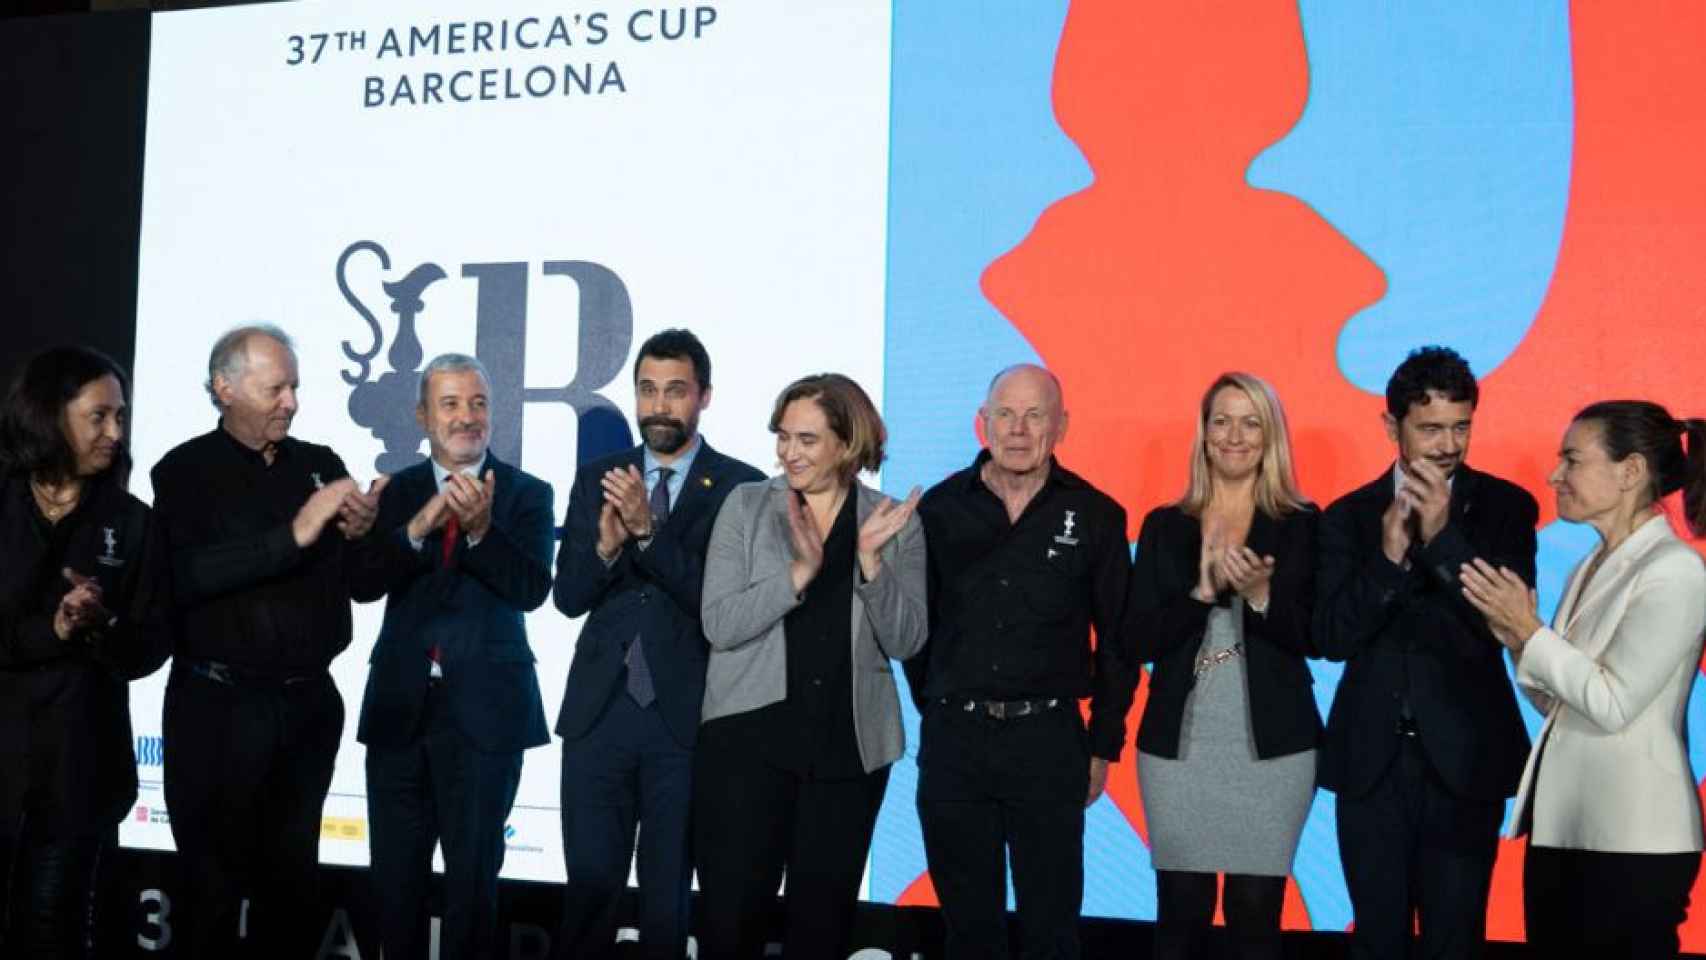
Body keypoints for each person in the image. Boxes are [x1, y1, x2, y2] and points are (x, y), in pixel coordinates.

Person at [151, 325, 382, 958]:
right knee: (210, 895)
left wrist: (362, 532)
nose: (291, 402)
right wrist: (297, 532)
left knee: (294, 891)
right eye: (276, 388)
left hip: (307, 708)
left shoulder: (321, 465)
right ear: (224, 389)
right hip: (217, 712)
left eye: (295, 388)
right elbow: (190, 574)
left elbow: (362, 587)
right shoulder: (183, 472)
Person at [906, 363, 1136, 960]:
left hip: (1050, 742)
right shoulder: (938, 510)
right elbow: (915, 631)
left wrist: (1102, 744)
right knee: (968, 931)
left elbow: (1117, 642)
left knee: (1052, 931)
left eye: (1035, 415)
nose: (1018, 429)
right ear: (983, 423)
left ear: (1061, 426)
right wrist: (938, 704)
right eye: (1005, 414)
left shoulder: (1097, 516)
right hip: (956, 742)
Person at [1461, 401, 1706, 957]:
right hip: (1567, 829)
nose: (1555, 476)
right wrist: (1517, 637)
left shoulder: (1676, 571)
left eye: (1572, 459)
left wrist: (1531, 632)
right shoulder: (1589, 566)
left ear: (1631, 472)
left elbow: (1613, 702)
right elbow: (1563, 702)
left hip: (1634, 838)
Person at [1314, 345, 1536, 959]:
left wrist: (1440, 539)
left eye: (1460, 426)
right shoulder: (1348, 518)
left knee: (1454, 937)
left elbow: (1500, 625)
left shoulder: (1506, 509)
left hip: (1465, 758)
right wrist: (1386, 560)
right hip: (1370, 762)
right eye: (1431, 428)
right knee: (1376, 938)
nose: (1447, 444)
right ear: (1393, 427)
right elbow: (1331, 637)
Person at [696, 373, 927, 959]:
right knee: (730, 926)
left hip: (849, 751)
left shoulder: (894, 521)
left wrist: (870, 562)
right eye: (783, 437)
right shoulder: (746, 507)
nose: (788, 453)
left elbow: (907, 640)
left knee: (820, 931)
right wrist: (798, 573)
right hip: (748, 745)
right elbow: (720, 624)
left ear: (846, 444)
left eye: (806, 440)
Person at [551, 329, 762, 960]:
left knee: (668, 895)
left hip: (685, 718)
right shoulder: (599, 478)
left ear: (704, 397)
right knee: (589, 886)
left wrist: (647, 533)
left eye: (675, 391)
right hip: (598, 714)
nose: (659, 407)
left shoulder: (739, 487)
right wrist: (607, 547)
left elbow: (723, 607)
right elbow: (567, 597)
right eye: (647, 391)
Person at [348, 353, 555, 960]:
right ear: (422, 415)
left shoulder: (526, 494)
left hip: (486, 720)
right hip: (399, 715)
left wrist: (481, 532)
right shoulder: (394, 490)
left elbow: (531, 589)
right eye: (451, 404)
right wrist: (416, 528)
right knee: (395, 888)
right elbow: (362, 582)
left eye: (478, 403)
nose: (468, 417)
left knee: (473, 890)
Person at [1129, 372, 1320, 960]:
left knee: (1256, 915)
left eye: (1250, 422)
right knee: (1180, 912)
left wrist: (1262, 597)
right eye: (1221, 421)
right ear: (1204, 433)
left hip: (1274, 750)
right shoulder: (1166, 525)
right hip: (1179, 749)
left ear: (1270, 437)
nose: (1234, 436)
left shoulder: (1304, 524)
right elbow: (1137, 638)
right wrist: (1202, 592)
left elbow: (1317, 635)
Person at [0, 347, 170, 958]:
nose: (114, 432)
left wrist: (100, 625)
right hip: (8, 757)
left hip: (79, 773)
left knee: (56, 933)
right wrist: (54, 630)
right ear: (50, 416)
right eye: (98, 416)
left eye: (120, 417)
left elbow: (149, 649)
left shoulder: (131, 523)